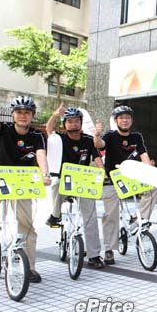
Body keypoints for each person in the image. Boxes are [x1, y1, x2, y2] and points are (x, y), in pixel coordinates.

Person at [0, 96, 50, 283]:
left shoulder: (37, 135)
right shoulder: (4, 129)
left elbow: (41, 156)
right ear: (13, 115)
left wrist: (45, 174)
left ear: (32, 115)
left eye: (27, 112)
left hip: (23, 181)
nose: (23, 116)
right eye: (19, 112)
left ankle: (30, 268)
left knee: (27, 224)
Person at [93, 105, 157, 265]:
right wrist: (97, 134)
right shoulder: (110, 135)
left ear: (131, 120)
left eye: (127, 117)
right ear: (116, 121)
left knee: (154, 187)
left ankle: (140, 221)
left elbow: (144, 155)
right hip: (112, 180)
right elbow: (99, 145)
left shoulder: (137, 137)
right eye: (121, 118)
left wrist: (151, 173)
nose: (124, 120)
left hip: (132, 177)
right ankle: (109, 248)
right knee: (111, 214)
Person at [45, 104, 106, 269]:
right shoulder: (59, 138)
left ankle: (94, 256)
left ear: (81, 122)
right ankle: (55, 215)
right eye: (69, 121)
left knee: (91, 218)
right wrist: (55, 115)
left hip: (83, 182)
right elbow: (48, 130)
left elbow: (97, 158)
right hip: (64, 181)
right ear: (65, 124)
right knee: (56, 183)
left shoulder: (88, 140)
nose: (73, 124)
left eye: (76, 121)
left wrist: (103, 173)